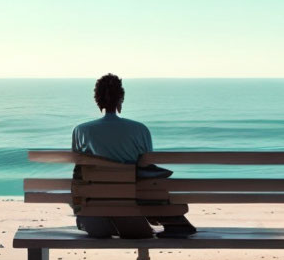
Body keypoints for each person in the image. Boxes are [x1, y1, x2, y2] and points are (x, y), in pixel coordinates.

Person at [71, 73, 196, 239]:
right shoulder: (140, 130)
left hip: (95, 214)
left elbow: (78, 164)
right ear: (121, 98)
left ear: (97, 100)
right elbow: (147, 163)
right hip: (134, 213)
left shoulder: (81, 131)